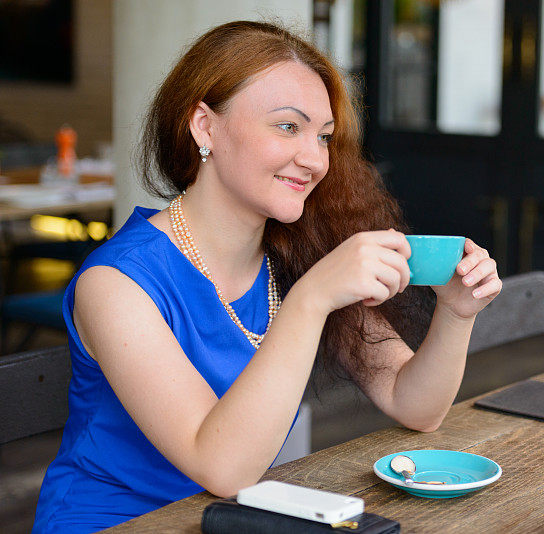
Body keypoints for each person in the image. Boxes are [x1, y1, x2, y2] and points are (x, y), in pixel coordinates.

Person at [32, 20, 501, 532]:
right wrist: (311, 299)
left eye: (323, 137)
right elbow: (222, 468)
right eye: (286, 127)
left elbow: (414, 405)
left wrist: (456, 313)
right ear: (204, 127)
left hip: (231, 521)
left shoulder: (293, 251)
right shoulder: (117, 284)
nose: (314, 159)